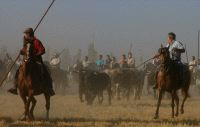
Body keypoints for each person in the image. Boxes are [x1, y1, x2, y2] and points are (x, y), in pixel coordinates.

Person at [8, 28, 55, 95]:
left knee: (44, 70)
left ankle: (49, 88)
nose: (25, 35)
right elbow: (24, 50)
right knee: (18, 71)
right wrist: (21, 51)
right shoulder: (26, 43)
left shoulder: (37, 41)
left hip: (36, 60)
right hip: (26, 61)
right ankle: (15, 87)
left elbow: (43, 50)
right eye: (25, 34)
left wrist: (36, 55)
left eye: (26, 34)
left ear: (29, 34)